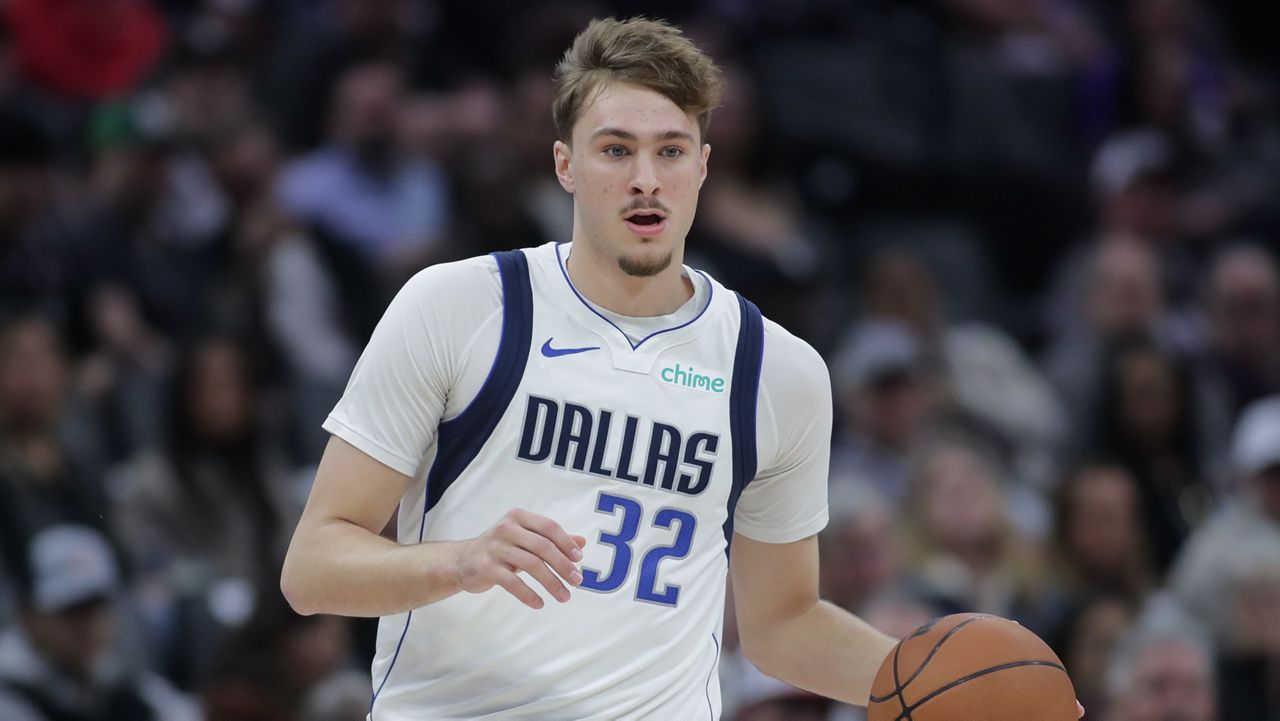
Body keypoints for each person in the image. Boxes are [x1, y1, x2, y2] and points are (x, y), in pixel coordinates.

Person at [280, 17, 904, 719]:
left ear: (702, 166)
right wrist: (456, 561)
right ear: (565, 165)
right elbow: (313, 567)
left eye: (671, 151)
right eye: (616, 150)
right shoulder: (460, 306)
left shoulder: (777, 370)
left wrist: (936, 684)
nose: (646, 180)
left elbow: (782, 624)